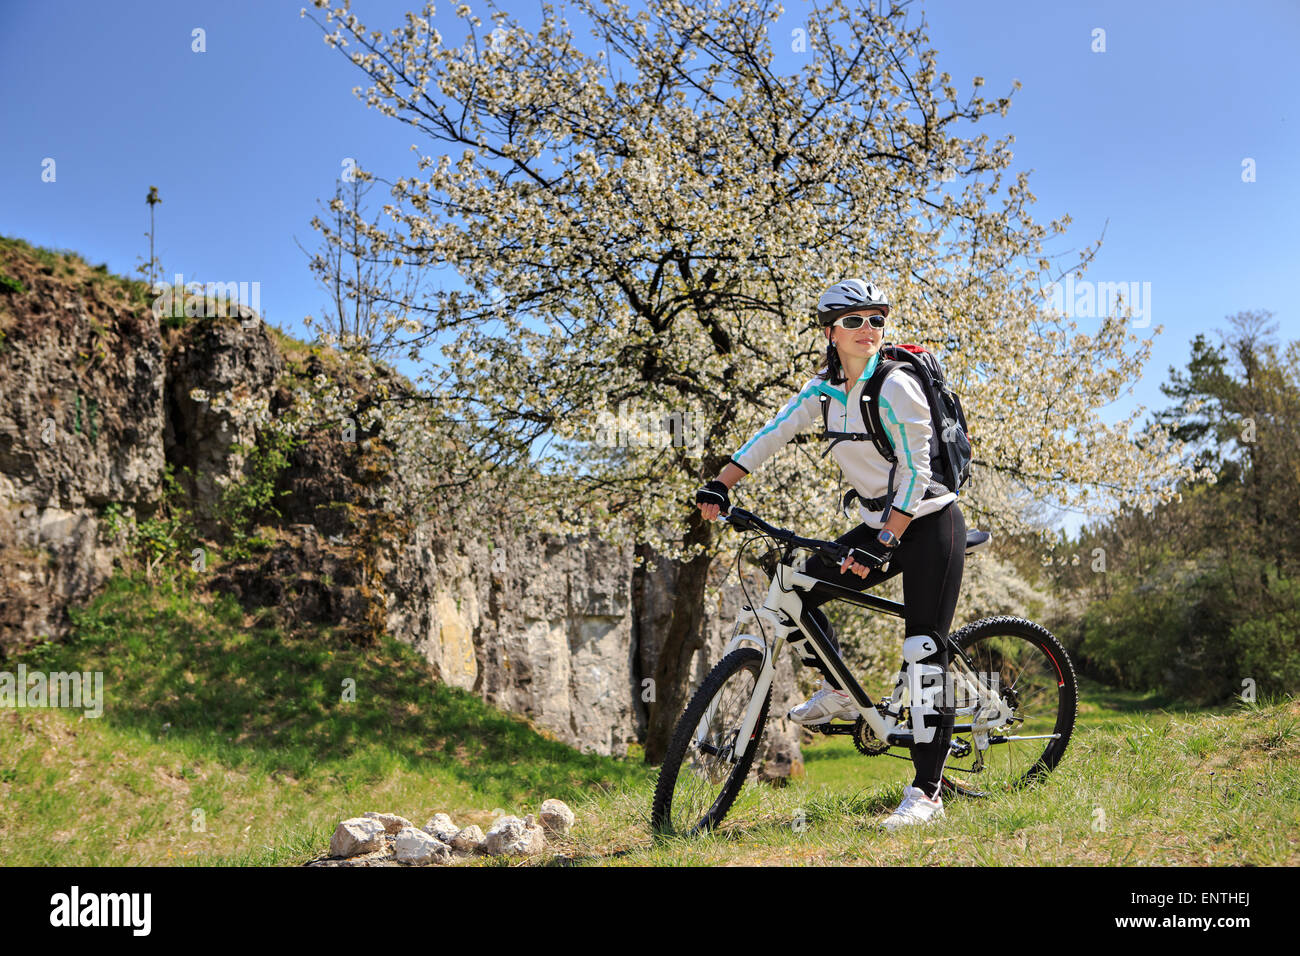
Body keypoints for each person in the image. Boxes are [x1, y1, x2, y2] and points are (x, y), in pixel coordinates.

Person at [694, 278, 966, 830]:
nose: (868, 330)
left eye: (876, 320)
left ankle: (927, 793)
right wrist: (722, 481)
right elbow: (776, 430)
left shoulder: (897, 386)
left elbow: (918, 468)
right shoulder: (824, 391)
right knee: (796, 583)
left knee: (922, 652)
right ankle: (840, 689)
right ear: (830, 332)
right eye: (854, 321)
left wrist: (887, 539)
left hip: (930, 523)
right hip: (876, 524)